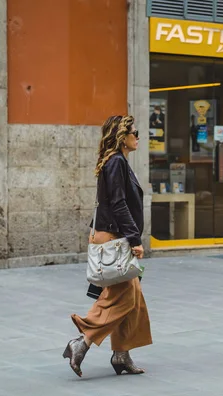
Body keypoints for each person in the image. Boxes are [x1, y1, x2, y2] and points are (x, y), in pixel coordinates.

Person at [63, 115, 152, 378]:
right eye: (134, 132)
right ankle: (81, 341)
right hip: (114, 238)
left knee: (133, 298)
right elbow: (118, 203)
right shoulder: (115, 162)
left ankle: (121, 354)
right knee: (120, 297)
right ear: (122, 136)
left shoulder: (117, 162)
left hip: (114, 235)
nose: (138, 136)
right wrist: (134, 239)